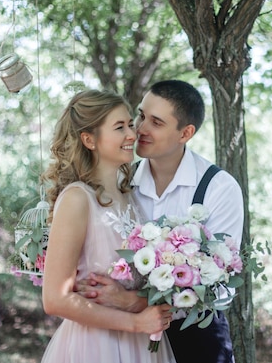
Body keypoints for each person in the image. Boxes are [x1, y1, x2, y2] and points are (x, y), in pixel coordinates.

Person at [77, 80, 244, 363]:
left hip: (195, 337)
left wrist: (134, 301)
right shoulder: (119, 181)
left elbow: (220, 286)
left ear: (185, 133)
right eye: (141, 115)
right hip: (127, 337)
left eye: (156, 122)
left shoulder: (219, 188)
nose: (139, 128)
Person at [39, 89, 176, 363]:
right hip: (97, 345)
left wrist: (143, 306)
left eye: (129, 123)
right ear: (89, 139)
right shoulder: (78, 199)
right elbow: (55, 299)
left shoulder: (131, 196)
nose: (132, 134)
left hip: (142, 344)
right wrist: (137, 324)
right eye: (119, 127)